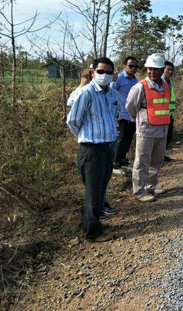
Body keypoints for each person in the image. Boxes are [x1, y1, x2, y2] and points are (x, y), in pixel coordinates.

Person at [66, 57, 119, 242]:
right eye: (101, 71)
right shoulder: (86, 93)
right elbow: (73, 121)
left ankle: (94, 223)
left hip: (107, 149)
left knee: (101, 189)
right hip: (91, 150)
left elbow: (114, 116)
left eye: (109, 72)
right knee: (93, 193)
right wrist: (86, 139)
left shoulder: (112, 94)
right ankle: (92, 232)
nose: (105, 75)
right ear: (93, 73)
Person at [125, 53, 170, 202]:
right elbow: (130, 106)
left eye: (156, 69)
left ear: (162, 70)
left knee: (156, 161)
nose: (152, 72)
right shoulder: (140, 87)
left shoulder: (165, 85)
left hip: (162, 129)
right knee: (142, 162)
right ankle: (139, 191)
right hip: (146, 130)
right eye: (150, 69)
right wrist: (137, 119)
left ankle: (151, 186)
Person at [111, 56, 139, 172]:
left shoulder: (135, 81)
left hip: (131, 115)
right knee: (121, 139)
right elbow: (112, 93)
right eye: (130, 66)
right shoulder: (119, 78)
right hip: (121, 115)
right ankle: (115, 163)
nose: (133, 68)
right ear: (125, 66)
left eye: (135, 66)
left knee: (128, 138)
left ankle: (123, 161)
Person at [162, 61, 175, 162]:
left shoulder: (170, 82)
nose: (170, 72)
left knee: (168, 136)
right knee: (161, 137)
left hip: (169, 114)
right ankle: (157, 157)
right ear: (163, 70)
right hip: (161, 115)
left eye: (171, 70)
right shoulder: (160, 83)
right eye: (168, 70)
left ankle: (162, 155)